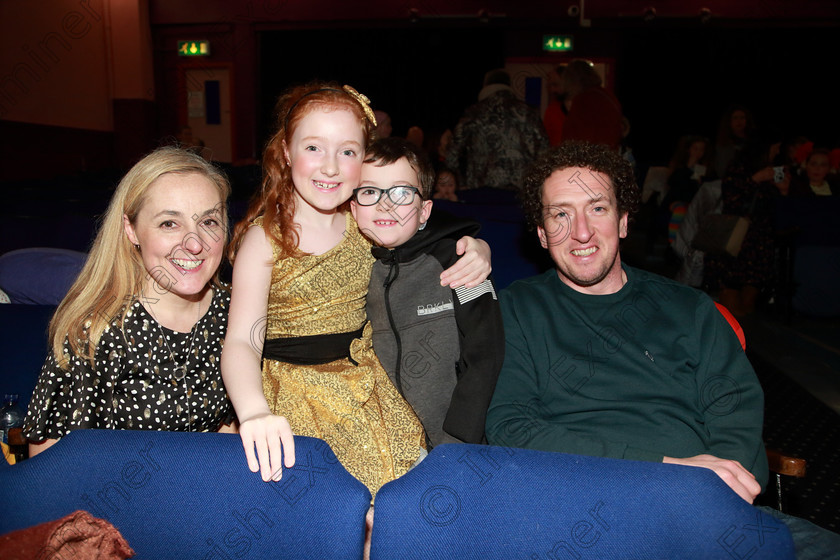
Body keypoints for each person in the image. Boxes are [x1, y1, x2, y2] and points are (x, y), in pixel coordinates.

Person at [484, 141, 840, 558]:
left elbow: (737, 428)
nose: (580, 231)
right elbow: (511, 431)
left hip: (706, 510)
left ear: (622, 221)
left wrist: (705, 495)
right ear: (542, 234)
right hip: (580, 511)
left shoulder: (692, 310)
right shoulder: (517, 310)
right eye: (561, 214)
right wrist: (666, 470)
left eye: (597, 208)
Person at [220, 82, 491, 494]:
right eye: (314, 148)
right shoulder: (266, 238)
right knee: (319, 507)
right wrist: (254, 411)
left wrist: (478, 246)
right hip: (291, 394)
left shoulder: (362, 221)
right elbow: (242, 340)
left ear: (363, 160)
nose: (330, 167)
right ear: (286, 152)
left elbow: (425, 229)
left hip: (365, 388)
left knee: (396, 503)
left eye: (347, 152)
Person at [23, 147, 237, 457]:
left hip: (204, 490)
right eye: (169, 223)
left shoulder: (234, 310)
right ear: (131, 229)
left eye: (208, 222)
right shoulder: (97, 330)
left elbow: (228, 429)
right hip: (115, 500)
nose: (194, 243)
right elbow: (51, 464)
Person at [350, 137, 504, 448]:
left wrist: (462, 435)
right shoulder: (352, 270)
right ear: (353, 207)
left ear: (424, 211)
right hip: (384, 449)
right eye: (369, 192)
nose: (385, 204)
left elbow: (487, 348)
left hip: (458, 444)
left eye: (401, 193)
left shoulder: (460, 261)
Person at [446, 68, 549, 190]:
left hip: (480, 192)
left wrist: (459, 184)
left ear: (485, 86)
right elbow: (545, 152)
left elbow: (453, 154)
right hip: (521, 191)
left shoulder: (473, 113)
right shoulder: (528, 113)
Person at [558, 59, 623, 150]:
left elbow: (573, 138)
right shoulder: (607, 95)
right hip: (608, 155)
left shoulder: (582, 100)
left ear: (570, 81)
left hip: (590, 158)